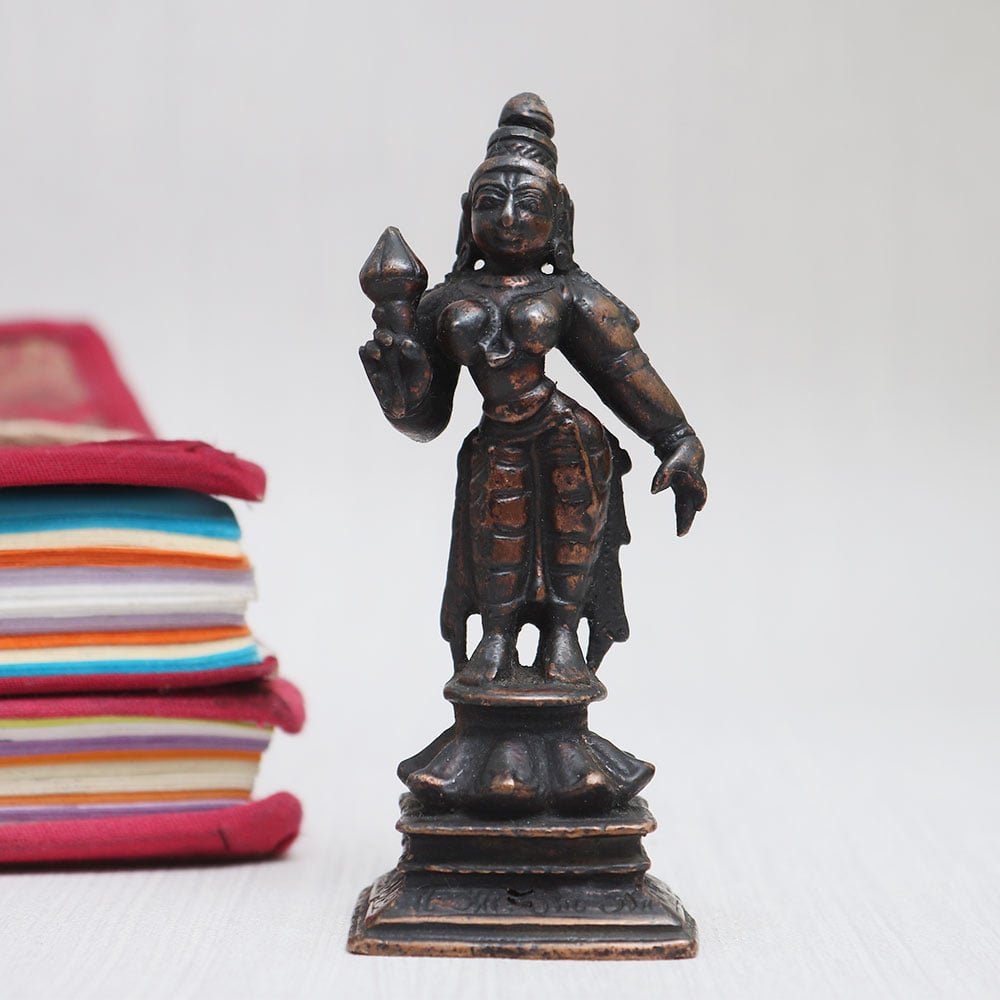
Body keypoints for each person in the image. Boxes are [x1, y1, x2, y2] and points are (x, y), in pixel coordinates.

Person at [360, 93, 706, 690]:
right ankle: (494, 640)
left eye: (529, 203)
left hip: (567, 432)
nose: (508, 217)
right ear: (467, 214)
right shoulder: (444, 302)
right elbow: (428, 420)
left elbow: (623, 370)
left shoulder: (568, 295)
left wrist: (677, 439)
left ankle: (562, 640)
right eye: (490, 202)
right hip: (497, 434)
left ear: (560, 217)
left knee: (573, 536)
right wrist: (398, 382)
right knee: (496, 535)